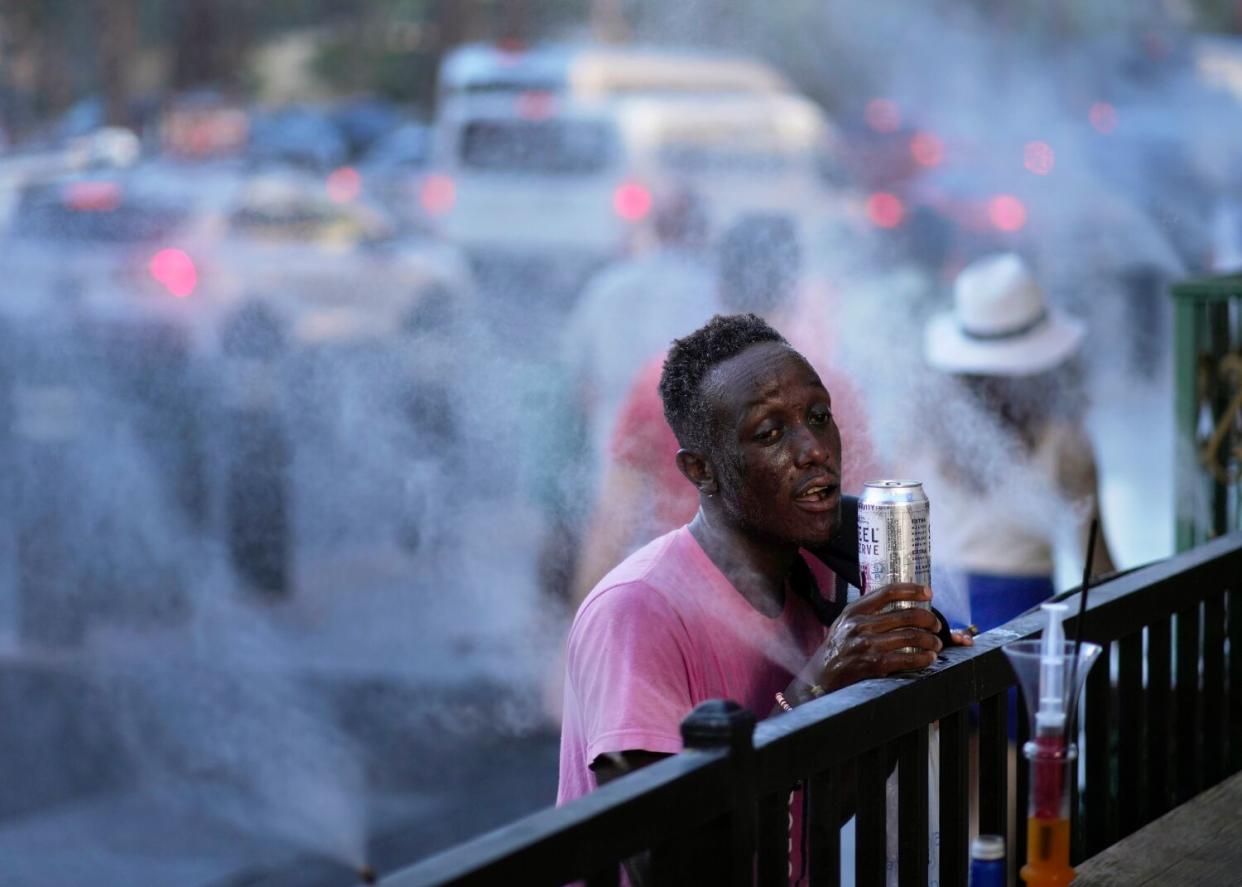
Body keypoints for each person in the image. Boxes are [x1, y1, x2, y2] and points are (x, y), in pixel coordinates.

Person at [557, 314, 972, 884]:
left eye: (819, 418)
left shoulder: (815, 579)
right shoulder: (636, 610)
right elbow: (669, 863)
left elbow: (814, 811)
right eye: (770, 433)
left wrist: (900, 670)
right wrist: (814, 687)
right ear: (700, 470)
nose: (813, 451)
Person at [571, 214, 881, 603]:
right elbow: (870, 522)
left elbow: (614, 518)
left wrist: (579, 626)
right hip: (797, 612)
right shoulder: (825, 388)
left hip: (682, 602)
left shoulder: (662, 384)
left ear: (719, 286)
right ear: (792, 286)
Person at [915, 252, 1115, 631]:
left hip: (938, 615)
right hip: (1024, 618)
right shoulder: (1064, 438)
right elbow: (1097, 563)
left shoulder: (928, 429)